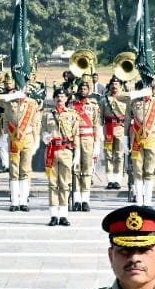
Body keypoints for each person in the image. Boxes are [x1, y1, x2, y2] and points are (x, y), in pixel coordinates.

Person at [43, 89, 79, 226]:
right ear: (53, 99)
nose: (60, 98)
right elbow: (43, 130)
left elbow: (76, 135)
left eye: (63, 96)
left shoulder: (72, 114)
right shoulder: (47, 114)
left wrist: (77, 154)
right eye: (57, 96)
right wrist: (44, 137)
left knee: (65, 184)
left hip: (66, 151)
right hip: (51, 151)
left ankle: (63, 215)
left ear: (66, 98)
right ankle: (53, 215)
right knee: (53, 184)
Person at [3, 84, 40, 211]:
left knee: (25, 169)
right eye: (19, 89)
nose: (21, 91)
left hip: (28, 138)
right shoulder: (9, 102)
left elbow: (36, 122)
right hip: (13, 138)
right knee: (14, 169)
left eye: (23, 89)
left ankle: (24, 201)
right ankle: (14, 201)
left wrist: (36, 139)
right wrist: (12, 96)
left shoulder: (32, 103)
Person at [126, 83, 155, 207]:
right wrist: (125, 138)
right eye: (144, 88)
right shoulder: (133, 101)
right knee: (137, 170)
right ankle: (139, 200)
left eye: (148, 88)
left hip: (151, 137)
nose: (147, 90)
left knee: (149, 170)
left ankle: (147, 201)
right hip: (136, 138)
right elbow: (127, 119)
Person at [71, 82, 101, 213]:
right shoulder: (72, 105)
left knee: (87, 170)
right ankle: (77, 200)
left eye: (85, 89)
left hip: (88, 139)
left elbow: (96, 125)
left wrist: (97, 143)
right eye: (81, 88)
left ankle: (85, 200)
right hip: (75, 139)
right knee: (75, 170)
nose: (83, 90)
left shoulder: (93, 106)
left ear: (89, 91)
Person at [101, 77, 129, 190]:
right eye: (112, 84)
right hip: (108, 129)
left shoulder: (125, 98)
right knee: (108, 155)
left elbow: (128, 115)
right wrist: (99, 131)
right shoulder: (104, 99)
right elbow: (100, 117)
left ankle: (117, 180)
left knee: (119, 155)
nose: (114, 86)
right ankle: (110, 180)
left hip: (120, 128)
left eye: (117, 84)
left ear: (120, 86)